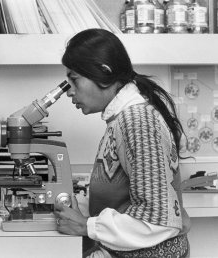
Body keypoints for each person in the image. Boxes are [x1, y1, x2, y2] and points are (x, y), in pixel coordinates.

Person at [54, 28, 191, 258]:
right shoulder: (120, 120)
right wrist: (76, 206)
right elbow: (119, 193)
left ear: (103, 73)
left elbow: (157, 220)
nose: (69, 92)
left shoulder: (139, 122)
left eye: (74, 80)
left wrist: (86, 225)